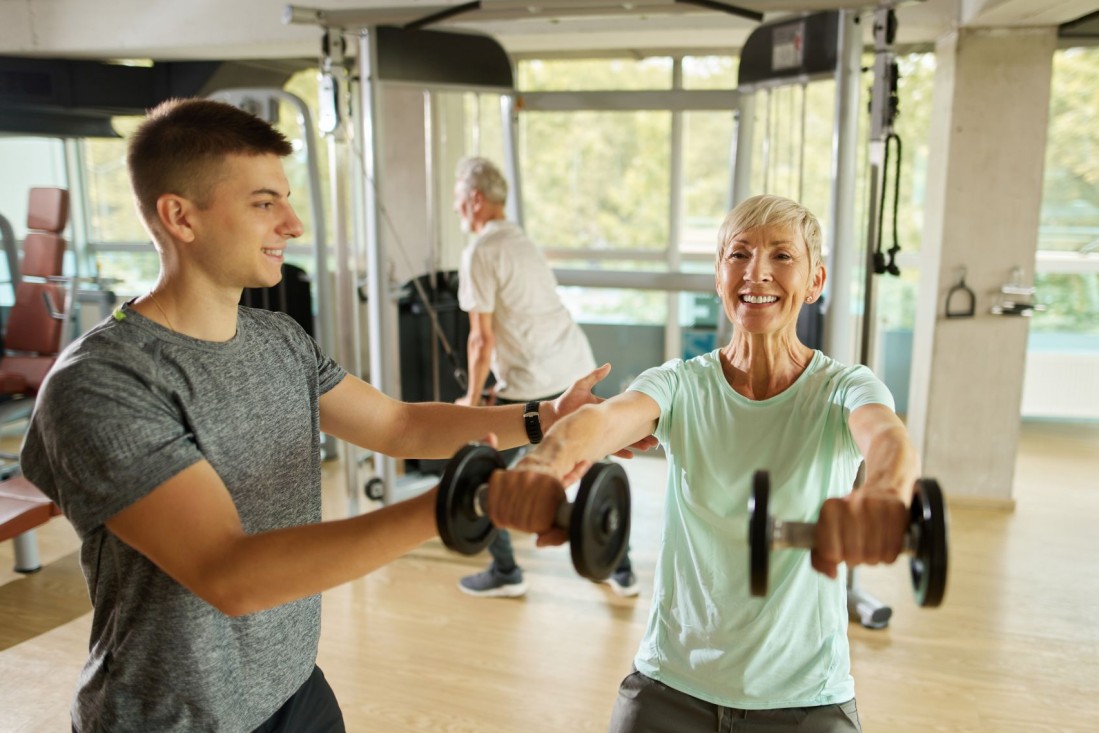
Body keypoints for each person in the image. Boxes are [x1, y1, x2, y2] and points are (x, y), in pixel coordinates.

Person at [19, 98, 640, 733]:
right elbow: (228, 572)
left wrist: (546, 417)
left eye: (286, 200)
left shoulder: (278, 340)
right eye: (265, 203)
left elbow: (398, 426)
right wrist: (464, 500)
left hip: (295, 688)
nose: (292, 223)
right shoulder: (103, 382)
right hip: (173, 719)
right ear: (180, 217)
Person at [481, 194, 919, 732]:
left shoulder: (844, 388)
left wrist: (884, 494)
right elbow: (606, 420)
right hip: (671, 685)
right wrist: (542, 463)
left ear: (815, 282)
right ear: (718, 276)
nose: (756, 272)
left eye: (782, 257)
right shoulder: (681, 383)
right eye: (739, 254)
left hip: (805, 697)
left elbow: (888, 440)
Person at [451, 156, 640, 599]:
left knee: (487, 468)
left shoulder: (480, 251)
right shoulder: (521, 240)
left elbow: (481, 340)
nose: (457, 208)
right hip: (573, 365)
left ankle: (504, 570)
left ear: (476, 200)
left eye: (459, 200)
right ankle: (620, 566)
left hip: (535, 379)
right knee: (596, 461)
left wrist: (472, 398)